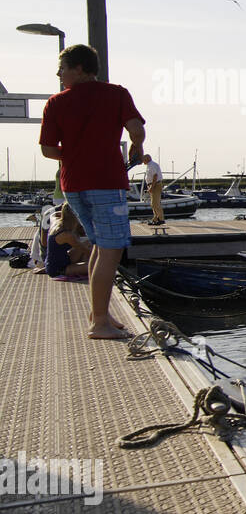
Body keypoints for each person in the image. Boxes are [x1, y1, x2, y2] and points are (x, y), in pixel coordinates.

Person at [38, 44, 145, 339]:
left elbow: (48, 150)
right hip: (106, 182)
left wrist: (73, 154)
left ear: (80, 68)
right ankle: (99, 323)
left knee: (99, 244)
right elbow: (135, 128)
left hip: (73, 186)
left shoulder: (55, 103)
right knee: (111, 249)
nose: (59, 74)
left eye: (63, 68)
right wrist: (137, 145)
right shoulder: (117, 94)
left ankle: (99, 313)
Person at [44, 204, 90, 279]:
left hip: (55, 262)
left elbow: (53, 214)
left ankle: (84, 265)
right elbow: (86, 251)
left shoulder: (56, 221)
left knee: (88, 243)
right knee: (95, 266)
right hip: (58, 269)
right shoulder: (67, 235)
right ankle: (85, 265)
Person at [143, 153, 164, 224]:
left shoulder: (152, 165)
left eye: (143, 160)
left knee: (155, 203)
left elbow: (155, 176)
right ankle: (156, 219)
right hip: (153, 185)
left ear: (147, 159)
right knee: (153, 203)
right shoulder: (150, 165)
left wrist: (152, 187)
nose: (143, 161)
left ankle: (160, 219)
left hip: (155, 185)